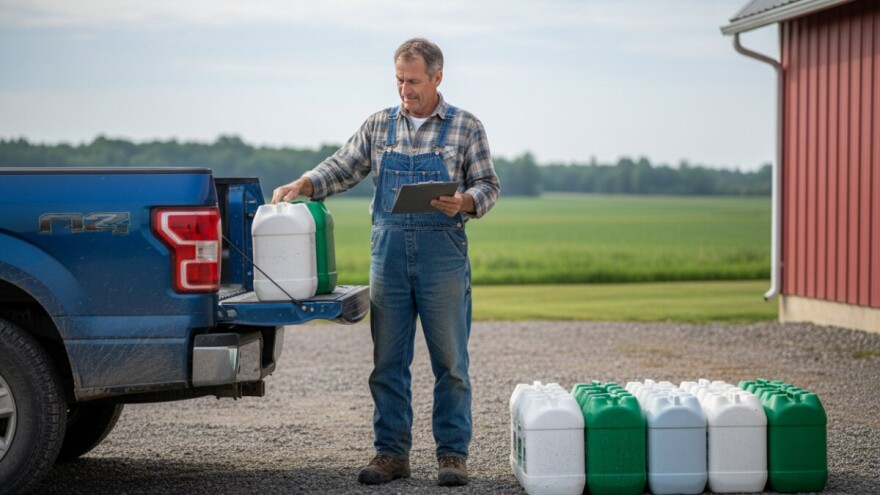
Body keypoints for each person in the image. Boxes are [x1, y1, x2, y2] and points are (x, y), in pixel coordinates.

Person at [271, 38, 500, 487]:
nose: (405, 90)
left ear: (437, 77)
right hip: (388, 256)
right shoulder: (378, 125)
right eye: (399, 80)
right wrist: (304, 183)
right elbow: (343, 167)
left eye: (413, 81)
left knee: (450, 363)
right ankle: (391, 454)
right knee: (387, 363)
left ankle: (452, 456)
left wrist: (466, 202)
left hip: (443, 256)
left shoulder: (466, 126)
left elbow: (489, 185)